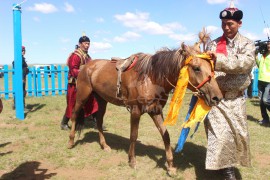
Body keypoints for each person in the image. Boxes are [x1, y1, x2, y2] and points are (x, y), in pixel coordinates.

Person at [205, 2, 256, 180]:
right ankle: (227, 172)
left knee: (236, 138)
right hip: (217, 100)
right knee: (220, 136)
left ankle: (225, 166)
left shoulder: (247, 44)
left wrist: (218, 60)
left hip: (237, 101)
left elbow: (244, 64)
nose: (226, 28)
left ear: (239, 24)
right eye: (223, 24)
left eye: (230, 24)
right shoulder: (213, 44)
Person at [61, 35, 98, 130]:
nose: (87, 45)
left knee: (92, 101)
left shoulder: (88, 56)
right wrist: (86, 73)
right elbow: (73, 70)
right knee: (72, 104)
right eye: (85, 43)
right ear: (80, 44)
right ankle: (64, 123)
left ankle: (97, 122)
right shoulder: (75, 56)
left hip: (86, 85)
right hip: (75, 84)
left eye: (88, 43)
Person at [256, 41, 270, 126]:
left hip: (269, 81)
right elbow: (259, 65)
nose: (269, 45)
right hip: (261, 80)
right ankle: (265, 119)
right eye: (268, 44)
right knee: (261, 102)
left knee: (265, 100)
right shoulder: (263, 54)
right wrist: (256, 57)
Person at [12, 46, 29, 110]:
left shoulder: (21, 58)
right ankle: (21, 106)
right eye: (22, 50)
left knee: (21, 91)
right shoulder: (20, 59)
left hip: (22, 77)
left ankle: (16, 105)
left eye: (24, 50)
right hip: (21, 78)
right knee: (22, 91)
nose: (23, 51)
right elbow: (20, 69)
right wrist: (22, 78)